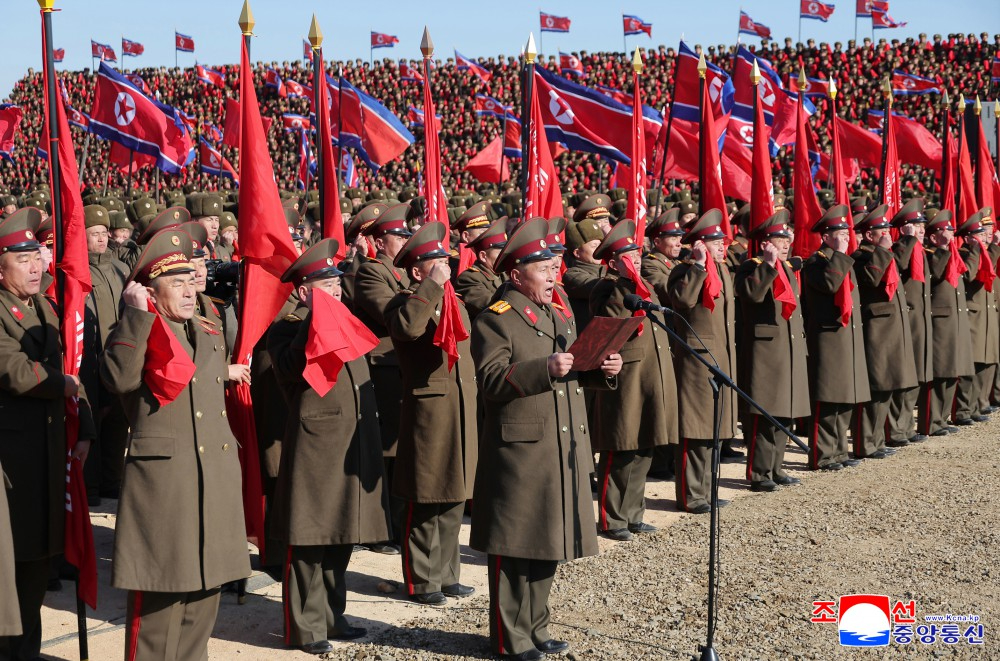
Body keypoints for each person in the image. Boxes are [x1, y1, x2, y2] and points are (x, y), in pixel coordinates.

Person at [470, 218, 622, 660]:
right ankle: (510, 639)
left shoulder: (558, 311)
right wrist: (544, 369)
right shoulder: (497, 318)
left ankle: (536, 628)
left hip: (559, 443)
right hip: (520, 449)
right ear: (517, 275)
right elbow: (492, 380)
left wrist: (603, 369)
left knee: (546, 541)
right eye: (543, 268)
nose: (553, 275)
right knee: (514, 545)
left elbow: (573, 368)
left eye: (553, 267)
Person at [100, 228, 251, 661]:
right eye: (176, 283)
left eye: (190, 281)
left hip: (213, 476)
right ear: (149, 290)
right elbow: (118, 380)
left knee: (205, 594)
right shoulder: (138, 329)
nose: (188, 291)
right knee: (160, 603)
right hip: (166, 481)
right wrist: (136, 315)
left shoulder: (205, 327)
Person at [267, 239, 390, 654]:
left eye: (337, 285)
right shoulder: (286, 327)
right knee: (309, 539)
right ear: (304, 292)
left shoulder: (344, 318)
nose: (335, 292)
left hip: (350, 441)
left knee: (341, 535)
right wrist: (313, 320)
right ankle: (305, 626)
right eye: (325, 286)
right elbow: (290, 369)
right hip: (316, 446)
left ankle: (333, 615)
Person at [0, 208, 95, 661]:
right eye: (23, 259)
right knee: (12, 566)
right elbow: (15, 371)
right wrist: (65, 386)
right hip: (13, 461)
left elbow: (73, 366)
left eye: (37, 256)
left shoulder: (48, 307)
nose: (36, 266)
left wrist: (85, 425)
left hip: (49, 454)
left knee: (39, 564)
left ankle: (26, 651)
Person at [384, 222, 478, 605]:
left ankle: (447, 574)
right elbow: (408, 328)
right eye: (435, 261)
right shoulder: (404, 302)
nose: (444, 265)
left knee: (454, 496)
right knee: (425, 499)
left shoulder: (454, 301)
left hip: (459, 406)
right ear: (416, 270)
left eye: (445, 259)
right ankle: (422, 581)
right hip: (429, 410)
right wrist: (432, 287)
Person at [589, 220, 677, 539]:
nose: (636, 260)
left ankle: (634, 514)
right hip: (626, 376)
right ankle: (612, 518)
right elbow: (611, 325)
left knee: (644, 446)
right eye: (628, 257)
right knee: (621, 448)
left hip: (650, 373)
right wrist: (625, 282)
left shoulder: (644, 285)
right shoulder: (608, 288)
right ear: (613, 263)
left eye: (637, 254)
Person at [667, 210, 739, 513]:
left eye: (722, 241)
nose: (723, 246)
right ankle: (691, 495)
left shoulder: (722, 270)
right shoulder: (684, 271)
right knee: (696, 430)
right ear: (699, 244)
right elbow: (682, 300)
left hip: (721, 355)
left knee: (715, 429)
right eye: (715, 242)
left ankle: (707, 491)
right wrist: (697, 264)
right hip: (697, 360)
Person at [733, 210, 809, 491]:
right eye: (780, 238)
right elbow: (751, 295)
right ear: (766, 242)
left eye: (787, 237)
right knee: (764, 414)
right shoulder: (750, 266)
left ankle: (775, 467)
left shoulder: (786, 266)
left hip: (787, 347)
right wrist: (767, 264)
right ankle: (759, 472)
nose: (786, 242)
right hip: (765, 351)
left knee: (783, 411)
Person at [353, 204, 413, 554]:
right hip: (383, 370)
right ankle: (380, 530)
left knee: (402, 449)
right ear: (379, 242)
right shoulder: (371, 273)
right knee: (386, 452)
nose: (405, 241)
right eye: (398, 237)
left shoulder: (406, 272)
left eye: (406, 236)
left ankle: (397, 526)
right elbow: (393, 315)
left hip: (402, 367)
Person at [801, 205, 870, 470]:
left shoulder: (842, 259)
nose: (844, 237)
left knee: (845, 397)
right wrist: (840, 254)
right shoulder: (816, 262)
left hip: (846, 337)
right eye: (839, 233)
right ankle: (823, 455)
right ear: (826, 237)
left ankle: (839, 452)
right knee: (828, 400)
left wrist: (841, 255)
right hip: (828, 338)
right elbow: (830, 284)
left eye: (845, 232)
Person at [851, 205, 917, 459]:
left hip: (890, 329)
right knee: (876, 388)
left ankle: (877, 440)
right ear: (870, 235)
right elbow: (871, 278)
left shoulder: (882, 253)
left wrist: (889, 249)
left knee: (887, 386)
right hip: (876, 330)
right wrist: (882, 251)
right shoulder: (861, 257)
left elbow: (899, 263)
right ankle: (866, 444)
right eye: (883, 231)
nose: (888, 234)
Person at [80, 204, 130, 503]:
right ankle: (91, 486)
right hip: (91, 355)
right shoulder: (78, 270)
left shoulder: (119, 268)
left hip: (117, 352)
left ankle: (112, 480)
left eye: (103, 232)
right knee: (94, 418)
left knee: (118, 419)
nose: (101, 238)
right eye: (94, 233)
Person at [920, 210, 974, 436]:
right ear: (933, 237)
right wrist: (943, 247)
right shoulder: (931, 254)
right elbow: (935, 273)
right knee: (939, 373)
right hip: (940, 320)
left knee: (952, 370)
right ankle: (931, 422)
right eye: (946, 230)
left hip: (954, 318)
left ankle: (941, 419)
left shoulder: (950, 253)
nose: (951, 233)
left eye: (951, 230)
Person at [887, 200, 932, 446]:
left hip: (918, 319)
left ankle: (905, 427)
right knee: (903, 377)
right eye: (916, 225)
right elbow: (898, 265)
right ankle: (895, 430)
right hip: (906, 320)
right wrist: (907, 239)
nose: (921, 230)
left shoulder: (920, 250)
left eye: (922, 225)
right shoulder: (901, 248)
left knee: (915, 377)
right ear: (905, 228)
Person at [953, 209, 999, 424]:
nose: (984, 237)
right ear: (970, 237)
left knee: (986, 363)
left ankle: (978, 405)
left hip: (986, 314)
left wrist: (992, 248)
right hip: (973, 316)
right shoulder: (964, 253)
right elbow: (970, 274)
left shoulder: (982, 253)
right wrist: (976, 249)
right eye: (980, 234)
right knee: (971, 366)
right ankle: (963, 410)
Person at [455, 217, 507, 319]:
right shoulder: (468, 278)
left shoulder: (504, 274)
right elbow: (493, 306)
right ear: (483, 256)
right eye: (500, 253)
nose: (504, 257)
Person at [562, 218, 607, 331]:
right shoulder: (572, 275)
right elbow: (599, 287)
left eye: (600, 245)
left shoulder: (607, 270)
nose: (599, 250)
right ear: (577, 253)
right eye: (594, 246)